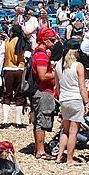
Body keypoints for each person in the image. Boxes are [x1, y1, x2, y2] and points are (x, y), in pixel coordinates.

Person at [55, 47, 88, 166]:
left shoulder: (58, 65)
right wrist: (86, 102)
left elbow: (57, 86)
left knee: (65, 130)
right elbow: (82, 86)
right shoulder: (78, 65)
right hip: (75, 98)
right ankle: (69, 158)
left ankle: (59, 156)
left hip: (64, 98)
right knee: (73, 132)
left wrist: (61, 97)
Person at [31, 28, 59, 160]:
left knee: (39, 120)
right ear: (44, 40)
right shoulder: (42, 54)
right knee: (42, 120)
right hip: (43, 91)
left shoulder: (37, 52)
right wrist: (57, 74)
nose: (54, 43)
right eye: (52, 40)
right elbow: (42, 75)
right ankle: (40, 151)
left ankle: (39, 148)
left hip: (39, 91)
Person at [0, 24, 28, 129]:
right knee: (19, 95)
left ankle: (5, 120)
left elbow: (1, 57)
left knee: (7, 95)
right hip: (20, 70)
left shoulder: (6, 43)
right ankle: (18, 122)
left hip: (8, 70)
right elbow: (27, 57)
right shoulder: (24, 43)